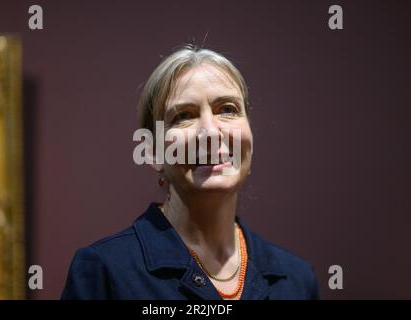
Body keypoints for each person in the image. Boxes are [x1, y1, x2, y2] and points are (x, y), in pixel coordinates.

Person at [61, 45, 319, 300]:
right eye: (183, 116)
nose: (210, 132)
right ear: (152, 152)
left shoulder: (296, 279)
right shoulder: (105, 272)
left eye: (228, 109)